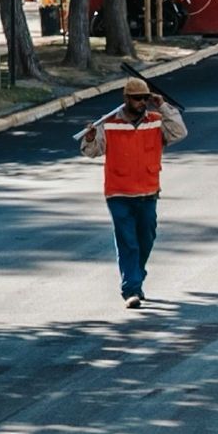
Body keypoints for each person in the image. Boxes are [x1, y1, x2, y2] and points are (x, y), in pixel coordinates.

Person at [80, 78, 188, 309]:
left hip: (148, 191)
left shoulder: (157, 120)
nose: (142, 103)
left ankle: (136, 276)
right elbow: (91, 150)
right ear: (126, 98)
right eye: (137, 98)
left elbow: (179, 132)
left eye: (145, 98)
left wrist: (163, 106)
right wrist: (89, 138)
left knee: (146, 238)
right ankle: (131, 289)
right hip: (118, 192)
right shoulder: (108, 123)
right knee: (128, 240)